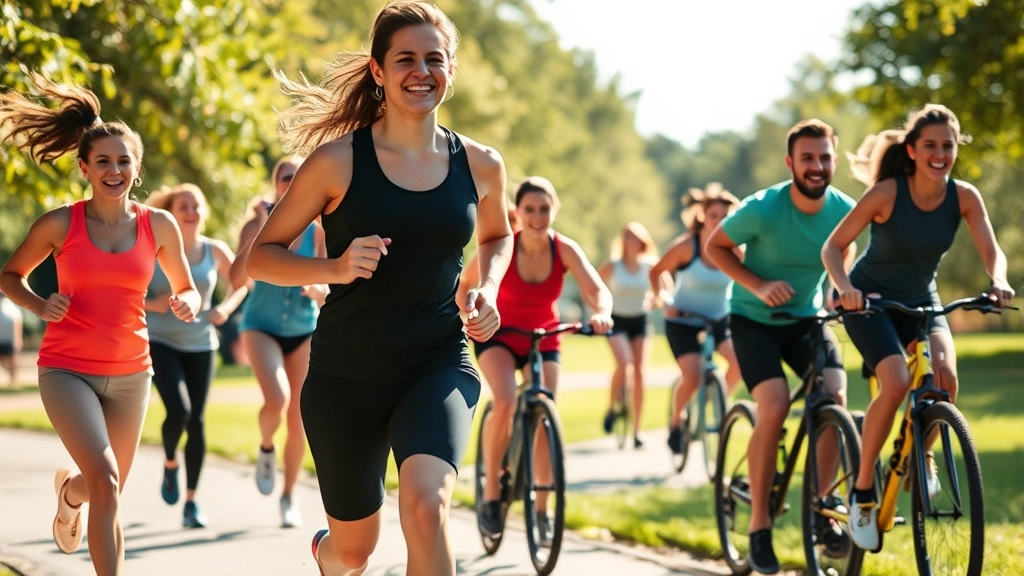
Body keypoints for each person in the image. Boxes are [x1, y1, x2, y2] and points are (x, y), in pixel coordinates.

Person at [249, 2, 514, 574]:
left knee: (426, 506)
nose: (421, 72)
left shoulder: (482, 164)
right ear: (377, 70)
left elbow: (497, 237)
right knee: (354, 553)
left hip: (436, 360)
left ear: (451, 69)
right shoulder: (338, 162)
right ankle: (327, 552)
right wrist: (336, 268)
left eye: (434, 59)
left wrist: (486, 287)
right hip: (347, 375)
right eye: (405, 60)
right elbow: (261, 259)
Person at [0, 74, 199, 575]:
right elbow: (9, 275)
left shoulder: (160, 225)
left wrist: (188, 302)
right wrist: (38, 304)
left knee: (102, 486)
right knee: (108, 480)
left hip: (132, 372)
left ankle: (69, 494)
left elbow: (187, 285)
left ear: (137, 167)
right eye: (104, 161)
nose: (115, 170)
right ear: (85, 167)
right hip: (68, 369)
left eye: (124, 160)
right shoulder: (59, 223)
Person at [821, 104, 1015, 551]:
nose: (940, 154)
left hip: (921, 300)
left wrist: (998, 279)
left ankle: (921, 457)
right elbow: (833, 248)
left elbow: (991, 249)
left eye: (948, 146)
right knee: (894, 383)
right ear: (911, 150)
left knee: (945, 378)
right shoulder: (887, 193)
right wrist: (845, 287)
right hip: (870, 301)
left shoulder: (963, 196)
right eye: (930, 145)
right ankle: (864, 492)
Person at [704, 119, 857, 574]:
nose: (817, 166)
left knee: (836, 397)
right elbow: (716, 247)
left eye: (825, 157)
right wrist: (758, 282)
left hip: (807, 320)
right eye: (807, 158)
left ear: (834, 159)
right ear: (790, 162)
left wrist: (838, 287)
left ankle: (821, 508)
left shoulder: (846, 209)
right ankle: (759, 525)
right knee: (771, 405)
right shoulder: (763, 208)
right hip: (753, 320)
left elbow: (843, 251)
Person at [461, 176, 614, 540]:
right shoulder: (503, 246)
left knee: (545, 408)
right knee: (507, 401)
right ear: (517, 212)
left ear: (554, 211)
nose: (537, 216)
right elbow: (466, 283)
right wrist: (468, 309)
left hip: (543, 337)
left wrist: (602, 312)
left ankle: (543, 511)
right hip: (499, 334)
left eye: (545, 209)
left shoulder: (564, 249)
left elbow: (596, 290)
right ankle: (493, 497)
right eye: (529, 209)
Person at [228, 155, 327, 528]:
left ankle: (288, 497)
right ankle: (267, 446)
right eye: (286, 177)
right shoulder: (258, 224)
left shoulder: (317, 229)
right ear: (275, 184)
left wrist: (319, 288)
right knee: (277, 398)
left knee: (299, 416)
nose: (292, 183)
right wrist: (257, 230)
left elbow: (327, 279)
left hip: (303, 329)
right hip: (261, 327)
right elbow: (238, 279)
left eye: (299, 177)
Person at [144, 183, 248, 528]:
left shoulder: (213, 250)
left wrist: (226, 308)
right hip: (161, 341)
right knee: (180, 411)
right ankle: (171, 460)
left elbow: (242, 281)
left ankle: (191, 502)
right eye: (183, 207)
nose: (190, 212)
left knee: (198, 422)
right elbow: (126, 289)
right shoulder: (154, 248)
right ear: (171, 214)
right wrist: (152, 304)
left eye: (195, 206)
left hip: (202, 344)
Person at [648, 184, 743, 456]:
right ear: (702, 215)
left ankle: (717, 400)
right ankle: (677, 423)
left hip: (718, 318)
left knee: (738, 362)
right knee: (692, 377)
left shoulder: (734, 249)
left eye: (725, 216)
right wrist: (665, 300)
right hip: (682, 320)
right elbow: (656, 273)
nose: (719, 221)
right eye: (713, 215)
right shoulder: (686, 246)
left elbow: (750, 278)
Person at [597, 221, 659, 448]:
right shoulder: (613, 265)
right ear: (622, 241)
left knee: (641, 373)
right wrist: (597, 310)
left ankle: (637, 430)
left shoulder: (650, 266)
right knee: (624, 365)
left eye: (636, 238)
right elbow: (593, 285)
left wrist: (656, 299)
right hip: (617, 321)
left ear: (643, 242)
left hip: (640, 320)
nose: (632, 242)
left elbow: (664, 290)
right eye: (628, 237)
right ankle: (612, 408)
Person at [0, 292, 23, 386]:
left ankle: (14, 382)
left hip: (9, 339)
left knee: (12, 362)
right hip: (1, 338)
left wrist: (18, 339)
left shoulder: (11, 306)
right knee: (3, 362)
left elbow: (17, 323)